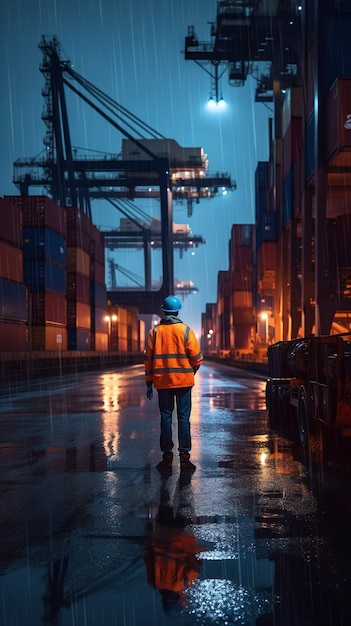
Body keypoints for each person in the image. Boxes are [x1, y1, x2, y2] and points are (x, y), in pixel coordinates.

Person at [144, 295, 203, 471]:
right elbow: (197, 358)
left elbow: (148, 360)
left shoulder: (154, 333)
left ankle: (167, 457)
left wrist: (149, 383)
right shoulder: (186, 331)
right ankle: (184, 458)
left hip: (163, 383)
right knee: (183, 418)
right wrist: (191, 370)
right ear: (177, 312)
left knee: (165, 418)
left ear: (164, 311)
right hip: (184, 382)